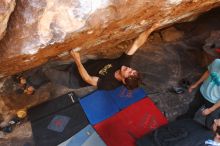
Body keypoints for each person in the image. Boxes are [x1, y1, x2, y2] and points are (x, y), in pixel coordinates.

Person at [14, 23, 159, 94]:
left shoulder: (109, 85)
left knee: (48, 71)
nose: (128, 68)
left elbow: (89, 79)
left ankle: (28, 82)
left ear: (124, 80)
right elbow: (137, 44)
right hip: (79, 67)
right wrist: (151, 29)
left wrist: (77, 59)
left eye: (128, 71)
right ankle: (33, 86)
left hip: (76, 79)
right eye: (131, 69)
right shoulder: (123, 64)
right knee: (53, 72)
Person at [177, 51, 220, 119]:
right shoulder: (217, 62)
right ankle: (187, 118)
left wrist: (211, 109)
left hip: (213, 101)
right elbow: (208, 72)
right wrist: (196, 84)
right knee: (193, 106)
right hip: (202, 92)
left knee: (209, 119)